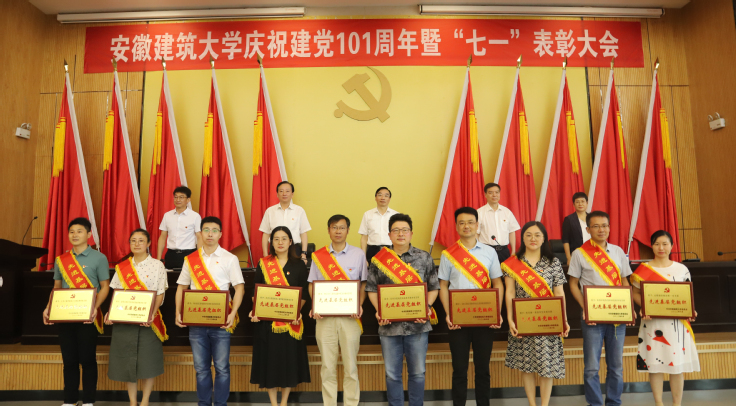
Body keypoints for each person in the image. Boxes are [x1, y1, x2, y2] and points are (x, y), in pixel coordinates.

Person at [366, 213, 440, 406]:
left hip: (418, 326)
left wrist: (426, 308)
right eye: (396, 230)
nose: (400, 234)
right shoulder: (378, 259)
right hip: (389, 327)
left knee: (418, 373)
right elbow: (371, 289)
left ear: (411, 233)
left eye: (404, 230)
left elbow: (434, 287)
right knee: (392, 374)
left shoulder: (424, 257)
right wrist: (379, 310)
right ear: (389, 235)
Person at [567, 211, 635, 406]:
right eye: (596, 226)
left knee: (616, 366)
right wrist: (586, 308)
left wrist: (629, 307)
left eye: (604, 225)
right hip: (592, 319)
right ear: (588, 229)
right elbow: (573, 284)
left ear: (609, 228)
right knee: (591, 367)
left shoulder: (618, 252)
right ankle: (595, 403)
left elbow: (625, 281)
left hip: (617, 316)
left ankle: (614, 402)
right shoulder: (579, 253)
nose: (601, 230)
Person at [175, 216, 245, 406]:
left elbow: (239, 288)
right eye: (206, 230)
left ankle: (221, 404)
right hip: (196, 323)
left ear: (220, 234)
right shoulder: (191, 260)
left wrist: (232, 314)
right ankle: (204, 403)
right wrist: (177, 313)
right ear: (200, 233)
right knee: (201, 369)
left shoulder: (229, 258)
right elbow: (181, 287)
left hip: (221, 322)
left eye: (214, 230)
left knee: (222, 368)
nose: (210, 234)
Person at [438, 207, 504, 406]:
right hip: (458, 320)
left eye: (470, 222)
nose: (466, 226)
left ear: (477, 225)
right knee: (459, 369)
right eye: (461, 223)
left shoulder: (489, 252)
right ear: (456, 226)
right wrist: (448, 313)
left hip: (484, 319)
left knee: (482, 369)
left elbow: (497, 283)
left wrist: (497, 311)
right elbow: (443, 286)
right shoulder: (448, 254)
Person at [43, 217, 110, 406]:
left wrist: (94, 308)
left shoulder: (99, 258)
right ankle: (69, 400)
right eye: (71, 231)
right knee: (69, 360)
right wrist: (48, 307)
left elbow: (105, 287)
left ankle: (88, 401)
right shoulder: (61, 260)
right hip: (65, 316)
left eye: (79, 231)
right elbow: (56, 287)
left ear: (89, 234)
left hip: (88, 317)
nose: (75, 235)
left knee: (88, 360)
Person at [503, 221, 570, 406]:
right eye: (528, 235)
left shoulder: (553, 262)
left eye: (537, 235)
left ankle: (544, 404)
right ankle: (532, 403)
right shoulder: (513, 263)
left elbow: (559, 293)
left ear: (544, 239)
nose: (533, 239)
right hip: (524, 322)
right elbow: (510, 292)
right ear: (522, 238)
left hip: (548, 321)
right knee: (527, 367)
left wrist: (564, 319)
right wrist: (510, 319)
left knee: (547, 367)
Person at [631, 230, 699, 406]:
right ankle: (659, 403)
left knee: (676, 366)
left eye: (665, 244)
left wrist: (690, 311)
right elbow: (635, 293)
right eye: (656, 244)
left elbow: (685, 295)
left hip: (676, 324)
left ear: (672, 246)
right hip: (652, 323)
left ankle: (677, 404)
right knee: (655, 365)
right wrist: (644, 306)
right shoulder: (644, 269)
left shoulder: (681, 269)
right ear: (652, 246)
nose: (661, 248)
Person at [308, 215, 367, 406]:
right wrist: (315, 305)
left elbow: (363, 284)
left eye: (342, 227)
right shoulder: (319, 256)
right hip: (324, 319)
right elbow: (312, 284)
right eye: (334, 227)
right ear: (329, 230)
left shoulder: (358, 254)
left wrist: (359, 304)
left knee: (351, 367)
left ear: (348, 230)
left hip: (350, 318)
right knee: (327, 366)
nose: (338, 231)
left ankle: (351, 403)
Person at [106, 229, 168, 406]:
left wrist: (152, 314)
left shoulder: (158, 265)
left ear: (148, 243)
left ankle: (145, 401)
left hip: (149, 322)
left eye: (141, 240)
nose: (137, 244)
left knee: (148, 363)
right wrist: (111, 312)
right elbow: (117, 294)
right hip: (125, 321)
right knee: (128, 363)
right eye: (133, 240)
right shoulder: (122, 267)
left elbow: (160, 293)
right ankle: (133, 402)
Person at [250, 226, 311, 406]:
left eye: (284, 238)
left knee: (288, 363)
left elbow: (304, 293)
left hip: (290, 323)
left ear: (291, 242)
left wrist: (296, 312)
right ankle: (273, 403)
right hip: (267, 324)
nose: (280, 242)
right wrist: (256, 310)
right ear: (271, 242)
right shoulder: (264, 263)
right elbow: (256, 291)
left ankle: (283, 402)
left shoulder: (299, 264)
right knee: (270, 362)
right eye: (276, 239)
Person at [259, 181, 312, 264]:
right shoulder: (270, 211)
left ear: (292, 194)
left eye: (287, 191)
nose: (284, 194)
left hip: (295, 249)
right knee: (276, 272)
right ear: (277, 194)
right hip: (275, 249)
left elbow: (303, 233)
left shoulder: (299, 210)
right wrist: (265, 255)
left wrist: (303, 254)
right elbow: (266, 234)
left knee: (295, 271)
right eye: (281, 191)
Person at [157, 186, 203, 269]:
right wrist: (158, 258)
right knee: (169, 276)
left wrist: (200, 256)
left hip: (189, 254)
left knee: (188, 277)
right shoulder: (167, 215)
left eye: (181, 197)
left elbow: (199, 237)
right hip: (171, 255)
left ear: (188, 200)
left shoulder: (195, 216)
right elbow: (162, 237)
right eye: (176, 197)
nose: (178, 200)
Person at [477, 183, 520, 263]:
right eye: (490, 193)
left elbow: (511, 231)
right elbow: (476, 234)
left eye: (497, 192)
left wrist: (513, 250)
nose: (494, 195)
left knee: (504, 271)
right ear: (485, 194)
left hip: (504, 251)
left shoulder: (507, 212)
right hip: (486, 251)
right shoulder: (479, 213)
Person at [358, 187, 398, 262]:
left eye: (386, 195)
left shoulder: (396, 215)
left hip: (391, 250)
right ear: (375, 198)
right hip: (372, 251)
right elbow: (364, 237)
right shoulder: (368, 214)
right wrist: (363, 257)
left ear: (389, 199)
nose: (383, 198)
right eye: (380, 195)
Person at [561, 192, 591, 264]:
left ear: (587, 203)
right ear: (573, 204)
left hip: (593, 253)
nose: (580, 204)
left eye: (582, 201)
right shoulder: (569, 219)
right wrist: (569, 258)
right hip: (577, 255)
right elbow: (565, 240)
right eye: (577, 202)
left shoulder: (592, 218)